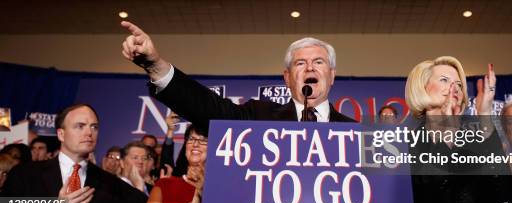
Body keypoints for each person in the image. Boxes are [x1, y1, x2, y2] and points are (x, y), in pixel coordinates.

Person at [119, 21, 354, 134]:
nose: (310, 68)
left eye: (319, 62)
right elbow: (208, 108)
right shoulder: (257, 116)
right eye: (300, 63)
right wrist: (156, 66)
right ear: (287, 78)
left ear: (331, 76)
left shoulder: (360, 135)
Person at [2, 104, 147, 203]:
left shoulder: (110, 183)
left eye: (94, 127)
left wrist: (140, 187)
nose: (89, 133)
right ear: (61, 134)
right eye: (80, 126)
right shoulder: (26, 173)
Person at [404, 56, 507, 203]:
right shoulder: (406, 145)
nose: (455, 87)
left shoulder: (473, 141)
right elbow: (429, 198)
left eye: (459, 84)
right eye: (444, 80)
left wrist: (485, 116)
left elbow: (502, 191)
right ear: (422, 88)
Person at [143, 124, 206, 203]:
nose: (195, 144)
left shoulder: (219, 188)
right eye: (191, 139)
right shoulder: (165, 184)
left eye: (203, 140)